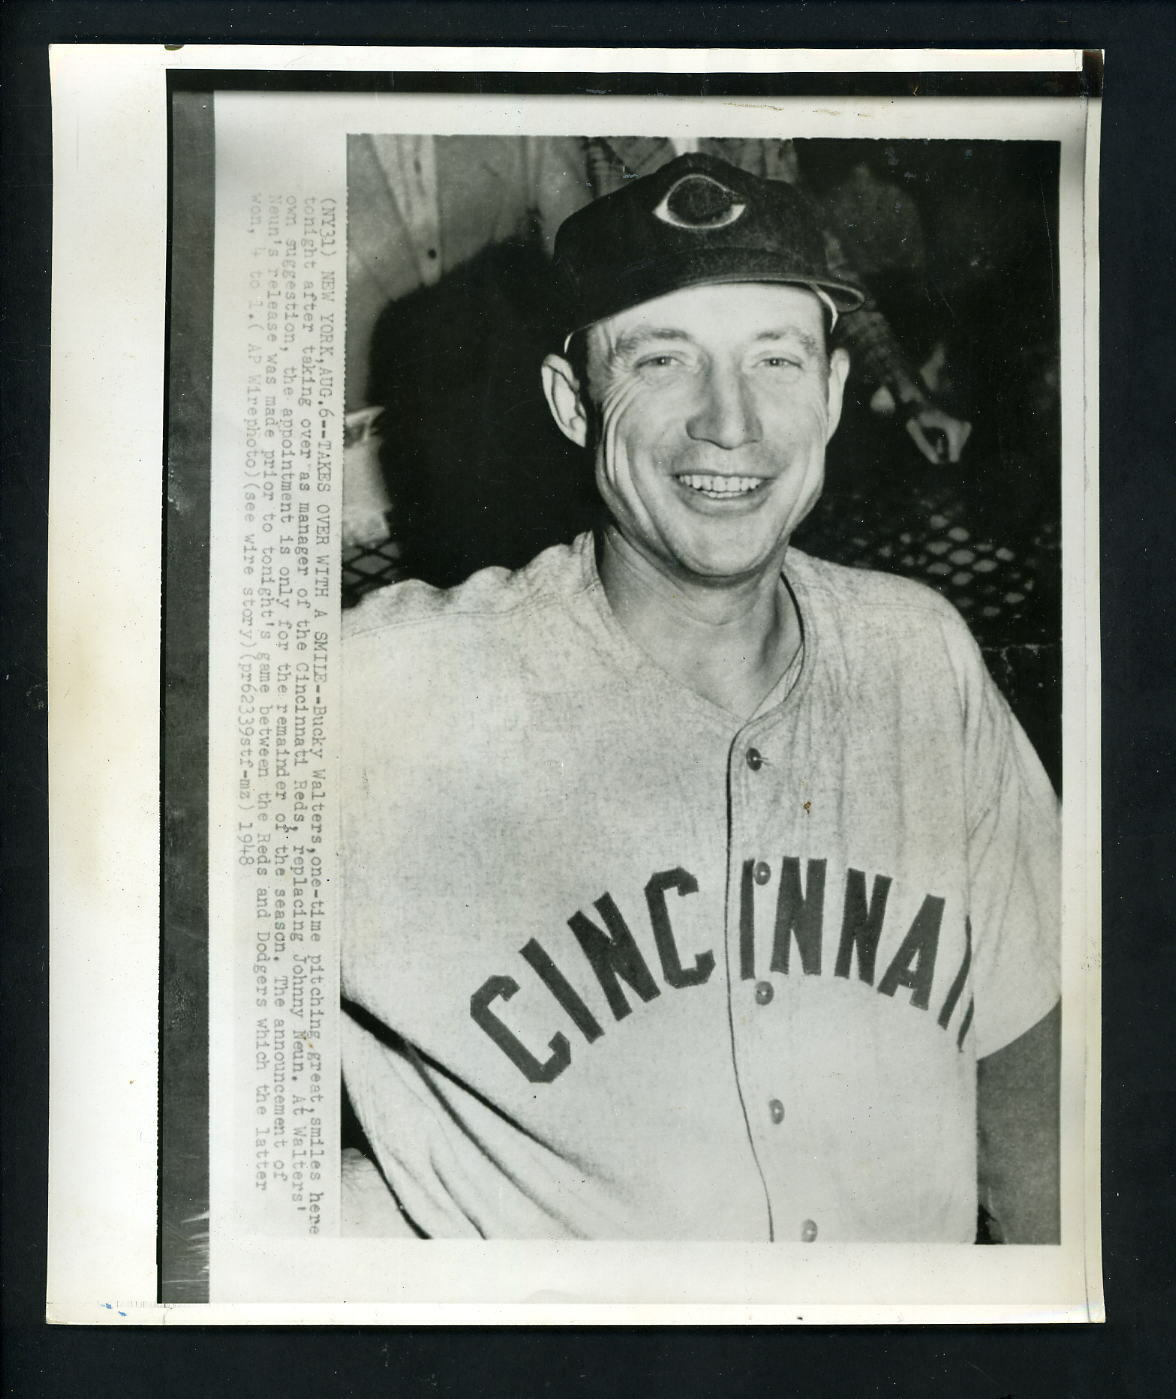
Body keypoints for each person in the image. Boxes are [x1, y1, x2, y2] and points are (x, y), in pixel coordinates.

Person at [340, 154, 1059, 1243]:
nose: (730, 422)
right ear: (572, 402)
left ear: (827, 395)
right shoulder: (386, 696)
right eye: (663, 359)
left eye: (775, 359)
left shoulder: (923, 657)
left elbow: (1037, 1099)